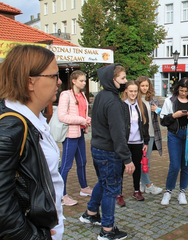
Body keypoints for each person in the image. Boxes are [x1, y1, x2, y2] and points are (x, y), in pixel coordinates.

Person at [0, 45, 64, 239]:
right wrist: (33, 236)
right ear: (30, 82)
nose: (59, 82)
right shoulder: (12, 126)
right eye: (54, 76)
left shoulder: (35, 119)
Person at [79, 64, 134, 240]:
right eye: (123, 79)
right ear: (113, 80)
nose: (126, 82)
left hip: (97, 148)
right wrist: (127, 159)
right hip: (109, 152)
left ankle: (91, 212)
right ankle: (107, 230)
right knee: (111, 189)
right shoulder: (113, 101)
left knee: (104, 182)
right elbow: (117, 134)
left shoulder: (101, 96)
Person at [58, 70, 92, 206]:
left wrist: (87, 119)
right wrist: (81, 120)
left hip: (80, 133)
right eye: (81, 81)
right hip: (70, 135)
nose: (84, 83)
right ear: (73, 81)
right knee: (66, 165)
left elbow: (83, 113)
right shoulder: (66, 95)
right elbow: (62, 116)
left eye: (84, 81)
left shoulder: (82, 95)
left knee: (82, 161)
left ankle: (84, 188)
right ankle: (61, 194)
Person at [160, 77, 188, 205]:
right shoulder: (170, 100)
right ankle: (168, 191)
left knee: (186, 164)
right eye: (181, 90)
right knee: (175, 165)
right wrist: (175, 115)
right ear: (177, 88)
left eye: (186, 91)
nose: (183, 93)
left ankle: (182, 192)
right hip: (174, 134)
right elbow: (163, 120)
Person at [117, 80, 149, 206]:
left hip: (138, 141)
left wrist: (145, 141)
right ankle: (118, 193)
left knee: (136, 167)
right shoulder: (121, 105)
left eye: (135, 91)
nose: (133, 93)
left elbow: (145, 124)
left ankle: (136, 190)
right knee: (120, 168)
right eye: (131, 91)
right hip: (125, 142)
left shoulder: (141, 105)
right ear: (126, 90)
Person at [136, 76, 163, 195]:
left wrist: (157, 110)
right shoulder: (135, 99)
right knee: (142, 160)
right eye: (142, 85)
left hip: (151, 133)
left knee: (146, 160)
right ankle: (146, 184)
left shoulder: (152, 99)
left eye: (146, 85)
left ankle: (143, 182)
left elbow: (163, 113)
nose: (144, 88)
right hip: (138, 134)